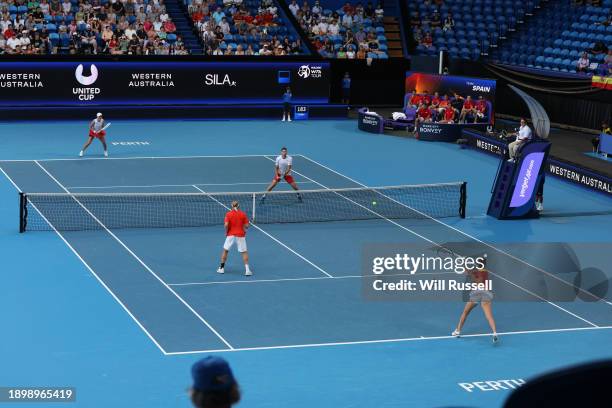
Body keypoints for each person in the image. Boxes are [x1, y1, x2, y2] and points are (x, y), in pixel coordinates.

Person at [452, 254, 498, 344]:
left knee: (465, 312)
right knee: (489, 316)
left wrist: (469, 272)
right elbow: (469, 272)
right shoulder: (485, 271)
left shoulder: (477, 272)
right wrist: (466, 267)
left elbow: (477, 280)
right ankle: (495, 333)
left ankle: (457, 331)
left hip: (476, 294)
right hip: (486, 294)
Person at [217, 201, 252, 276]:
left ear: (231, 206)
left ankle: (221, 268)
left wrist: (227, 231)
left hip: (230, 235)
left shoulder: (228, 214)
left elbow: (226, 225)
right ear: (239, 206)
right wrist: (247, 226)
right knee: (244, 252)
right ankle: (247, 270)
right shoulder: (243, 214)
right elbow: (247, 226)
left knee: (225, 250)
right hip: (240, 235)